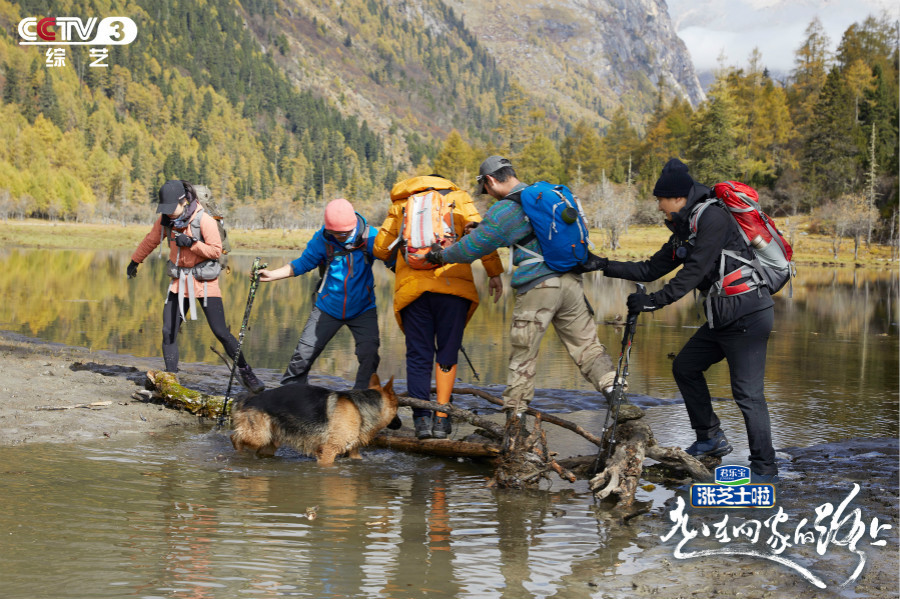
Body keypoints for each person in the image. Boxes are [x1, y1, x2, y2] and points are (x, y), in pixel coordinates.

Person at [589, 158, 779, 483]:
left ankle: (765, 469)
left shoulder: (713, 218)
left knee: (747, 394)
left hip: (748, 312)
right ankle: (711, 437)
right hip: (722, 316)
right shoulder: (685, 228)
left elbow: (694, 273)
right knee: (685, 367)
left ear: (677, 197)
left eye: (660, 200)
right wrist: (600, 264)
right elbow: (650, 269)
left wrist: (652, 302)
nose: (659, 206)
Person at [424, 157, 616, 420]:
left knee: (523, 354)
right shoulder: (540, 198)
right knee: (588, 347)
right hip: (571, 283)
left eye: (486, 190)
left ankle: (515, 423)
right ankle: (619, 398)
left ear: (490, 181)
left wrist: (440, 256)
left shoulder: (505, 210)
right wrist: (483, 228)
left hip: (539, 286)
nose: (488, 195)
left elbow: (472, 249)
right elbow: (523, 234)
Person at [374, 174, 504, 439]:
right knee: (447, 351)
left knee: (418, 354)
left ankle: (421, 420)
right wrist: (494, 272)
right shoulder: (459, 198)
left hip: (413, 292)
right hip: (453, 289)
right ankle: (442, 419)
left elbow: (380, 248)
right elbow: (482, 236)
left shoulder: (402, 204)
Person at [128, 179, 265, 393]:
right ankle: (170, 380)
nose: (168, 213)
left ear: (183, 201)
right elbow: (151, 240)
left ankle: (247, 372)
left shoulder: (205, 220)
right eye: (164, 209)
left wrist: (192, 243)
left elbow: (215, 251)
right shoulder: (166, 220)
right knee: (169, 331)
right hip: (179, 283)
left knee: (220, 332)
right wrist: (135, 261)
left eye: (170, 208)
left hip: (205, 283)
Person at [257, 198, 388, 394]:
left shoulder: (371, 238)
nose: (338, 237)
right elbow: (303, 263)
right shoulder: (322, 239)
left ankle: (362, 398)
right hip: (327, 307)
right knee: (303, 355)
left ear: (352, 226)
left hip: (363, 308)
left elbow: (393, 260)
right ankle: (287, 397)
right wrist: (272, 274)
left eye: (342, 234)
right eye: (334, 233)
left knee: (369, 353)